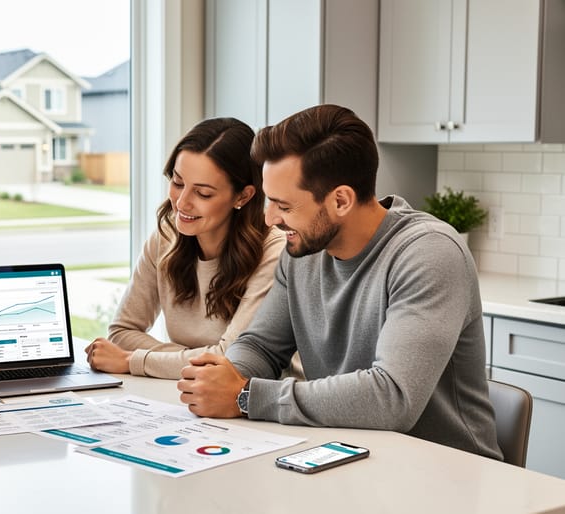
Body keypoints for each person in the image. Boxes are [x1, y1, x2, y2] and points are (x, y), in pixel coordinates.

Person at [177, 104, 502, 460]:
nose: (269, 219)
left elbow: (393, 397)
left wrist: (245, 396)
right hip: (351, 455)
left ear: (341, 200)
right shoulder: (302, 251)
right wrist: (223, 377)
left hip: (446, 473)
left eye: (283, 205)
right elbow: (261, 347)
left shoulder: (429, 254)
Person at [85, 117, 285, 379]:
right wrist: (195, 358)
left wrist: (132, 360)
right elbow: (122, 333)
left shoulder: (274, 251)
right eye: (178, 183)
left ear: (243, 196)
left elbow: (231, 360)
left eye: (203, 193)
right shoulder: (167, 235)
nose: (182, 203)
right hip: (188, 392)